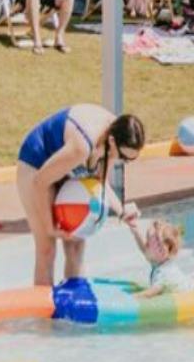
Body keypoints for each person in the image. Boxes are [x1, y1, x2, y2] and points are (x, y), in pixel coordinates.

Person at [15, 105, 146, 285]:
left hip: (64, 169)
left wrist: (122, 212)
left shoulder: (117, 133)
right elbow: (40, 182)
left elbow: (101, 183)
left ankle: (72, 308)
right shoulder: (82, 147)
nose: (124, 162)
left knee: (76, 243)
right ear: (113, 142)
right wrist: (50, 227)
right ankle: (43, 313)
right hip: (36, 164)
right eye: (124, 157)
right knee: (47, 249)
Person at [124, 215, 194, 296]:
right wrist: (135, 231)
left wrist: (131, 298)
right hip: (191, 280)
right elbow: (144, 249)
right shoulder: (158, 260)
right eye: (148, 241)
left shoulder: (164, 274)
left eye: (150, 242)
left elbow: (150, 293)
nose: (146, 244)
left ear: (163, 250)